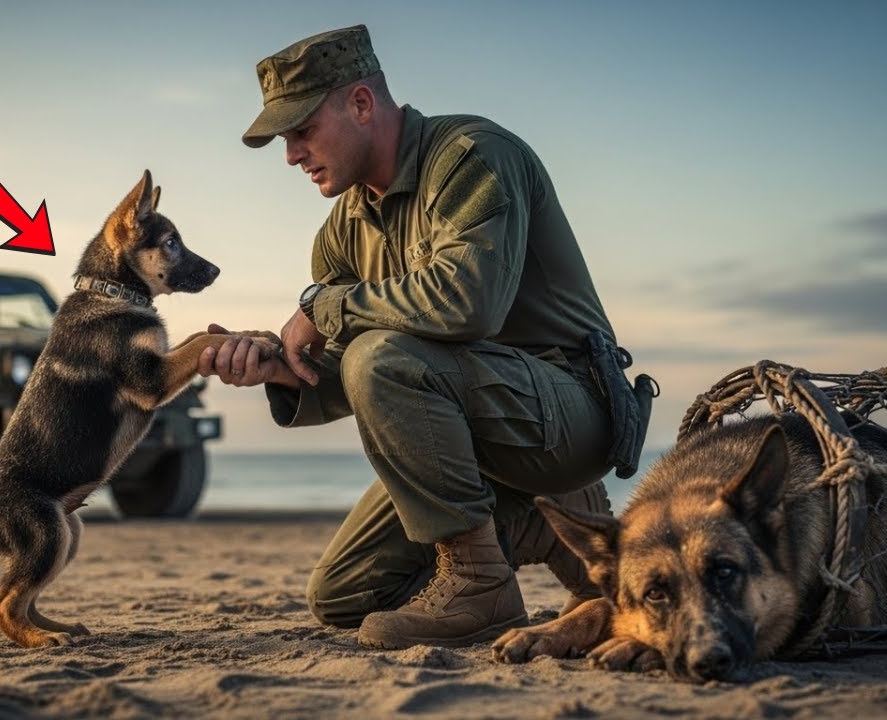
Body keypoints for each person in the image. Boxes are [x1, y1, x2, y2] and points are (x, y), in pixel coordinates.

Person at [199, 24, 636, 650]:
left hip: (569, 417)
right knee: (344, 597)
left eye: (301, 130)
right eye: (283, 140)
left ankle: (480, 580)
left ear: (360, 103)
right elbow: (359, 373)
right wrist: (280, 369)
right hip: (481, 438)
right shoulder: (344, 226)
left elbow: (467, 304)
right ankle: (538, 526)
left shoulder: (472, 156)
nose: (291, 154)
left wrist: (324, 308)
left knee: (383, 354)